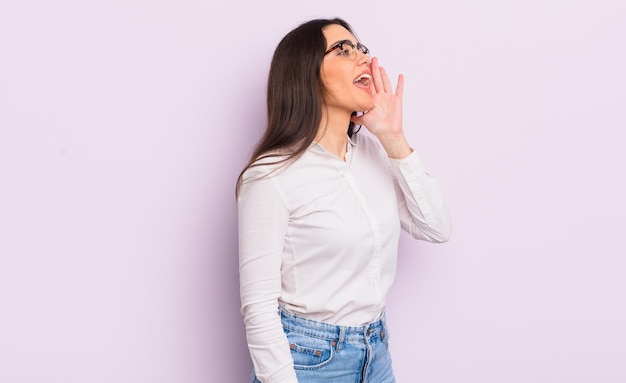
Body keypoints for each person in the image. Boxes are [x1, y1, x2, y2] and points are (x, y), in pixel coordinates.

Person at [235, 17, 452, 383]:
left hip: (376, 353)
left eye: (361, 48)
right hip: (308, 362)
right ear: (306, 74)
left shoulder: (373, 152)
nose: (363, 57)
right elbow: (259, 309)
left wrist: (393, 137)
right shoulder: (271, 177)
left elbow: (437, 228)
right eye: (343, 50)